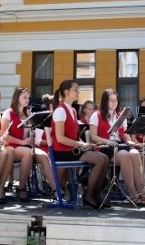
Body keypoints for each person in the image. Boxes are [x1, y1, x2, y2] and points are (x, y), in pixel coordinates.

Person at [51, 80, 110, 209]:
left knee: (105, 158)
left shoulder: (72, 110)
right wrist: (81, 145)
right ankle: (89, 196)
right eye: (75, 89)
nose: (78, 91)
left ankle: (96, 195)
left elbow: (74, 136)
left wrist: (85, 144)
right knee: (100, 160)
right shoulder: (60, 111)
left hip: (72, 150)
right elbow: (60, 138)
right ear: (67, 92)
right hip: (63, 152)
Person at [90, 88, 145, 206]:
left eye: (116, 100)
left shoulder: (120, 116)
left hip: (120, 145)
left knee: (135, 153)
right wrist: (108, 141)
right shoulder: (96, 115)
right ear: (105, 101)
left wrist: (129, 141)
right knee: (125, 155)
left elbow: (125, 135)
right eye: (111, 100)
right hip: (104, 147)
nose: (114, 103)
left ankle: (142, 194)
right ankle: (133, 194)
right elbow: (93, 136)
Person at [0, 87, 57, 202]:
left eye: (28, 98)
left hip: (26, 147)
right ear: (17, 98)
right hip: (10, 147)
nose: (27, 100)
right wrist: (22, 142)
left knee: (44, 156)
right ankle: (22, 188)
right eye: (24, 97)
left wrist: (32, 135)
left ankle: (56, 191)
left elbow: (30, 135)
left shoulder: (28, 114)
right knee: (28, 153)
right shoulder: (8, 113)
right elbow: (4, 135)